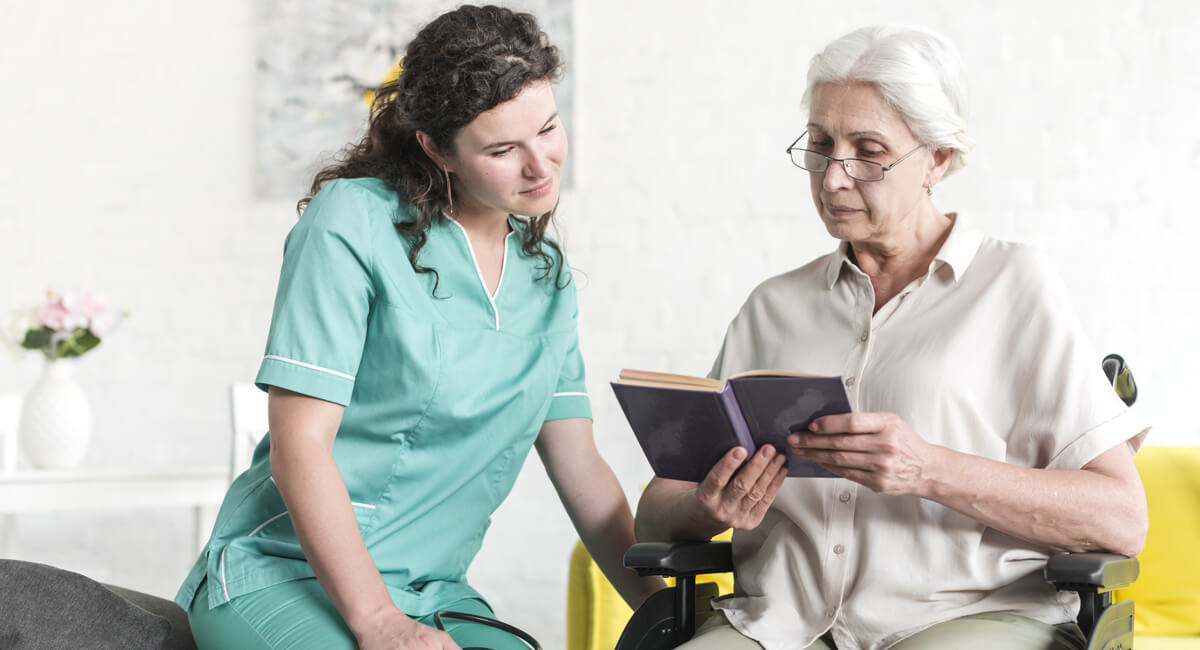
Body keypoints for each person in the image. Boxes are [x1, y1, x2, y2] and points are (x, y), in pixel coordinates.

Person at [634, 24, 1149, 650]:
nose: (832, 179)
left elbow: (1122, 519)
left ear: (936, 159)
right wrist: (708, 507)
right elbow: (657, 511)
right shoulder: (773, 307)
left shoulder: (1015, 286)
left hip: (967, 621)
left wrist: (928, 469)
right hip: (782, 627)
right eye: (820, 146)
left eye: (868, 151)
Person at [175, 6, 661, 649]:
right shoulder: (351, 223)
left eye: (547, 129)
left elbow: (582, 470)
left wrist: (664, 617)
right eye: (502, 149)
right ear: (437, 149)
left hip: (434, 592)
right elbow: (300, 449)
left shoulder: (546, 277)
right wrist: (378, 622)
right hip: (285, 574)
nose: (540, 165)